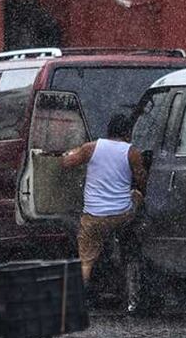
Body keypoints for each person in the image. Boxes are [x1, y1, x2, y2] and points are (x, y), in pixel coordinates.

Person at [59, 112, 147, 284]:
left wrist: (71, 152)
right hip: (121, 215)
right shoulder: (132, 153)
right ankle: (125, 237)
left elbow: (66, 163)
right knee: (136, 195)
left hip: (93, 217)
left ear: (108, 131)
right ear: (128, 133)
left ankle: (81, 291)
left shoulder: (90, 148)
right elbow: (141, 180)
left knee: (85, 259)